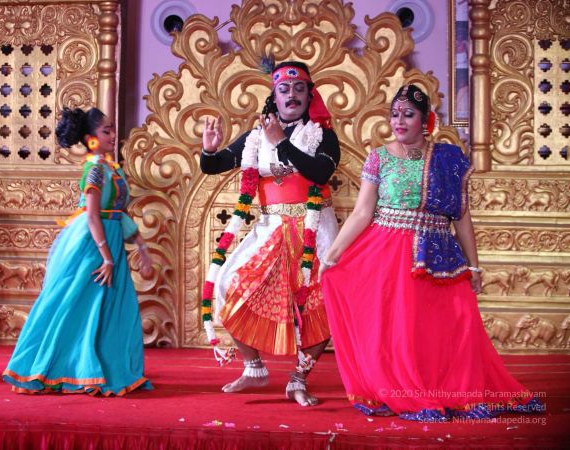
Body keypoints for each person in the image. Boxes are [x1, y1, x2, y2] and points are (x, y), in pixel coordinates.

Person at [319, 84, 542, 421]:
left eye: (408, 115)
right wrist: (332, 255)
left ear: (426, 121)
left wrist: (474, 266)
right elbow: (363, 212)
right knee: (396, 329)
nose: (398, 121)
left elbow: (461, 216)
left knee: (448, 326)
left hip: (439, 252)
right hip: (387, 253)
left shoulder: (448, 158)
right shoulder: (379, 157)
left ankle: (448, 390)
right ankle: (399, 389)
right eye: (394, 114)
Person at [200, 61, 340, 406]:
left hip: (315, 228)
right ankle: (253, 368)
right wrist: (209, 150)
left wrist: (282, 143)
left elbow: (320, 172)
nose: (292, 95)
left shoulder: (323, 135)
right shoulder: (255, 136)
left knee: (325, 304)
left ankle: (299, 378)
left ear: (309, 96)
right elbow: (215, 166)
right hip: (271, 228)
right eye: (284, 90)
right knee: (227, 284)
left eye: (299, 89)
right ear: (274, 97)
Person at [3, 107, 153, 396]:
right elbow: (93, 216)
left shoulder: (111, 168)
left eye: (112, 129)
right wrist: (106, 258)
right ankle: (58, 366)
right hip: (93, 246)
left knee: (110, 308)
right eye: (106, 131)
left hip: (111, 241)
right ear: (90, 138)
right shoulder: (94, 170)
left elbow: (117, 214)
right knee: (76, 305)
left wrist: (141, 247)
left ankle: (104, 368)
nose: (112, 135)